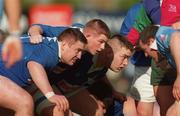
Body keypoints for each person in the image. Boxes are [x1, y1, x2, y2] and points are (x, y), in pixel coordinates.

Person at [0, 28, 87, 116]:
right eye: (78, 50)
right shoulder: (52, 53)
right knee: (24, 103)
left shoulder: (50, 46)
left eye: (82, 52)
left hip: (5, 76)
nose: (79, 56)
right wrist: (50, 95)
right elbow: (34, 65)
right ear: (64, 45)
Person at [138, 25, 180, 116]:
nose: (146, 55)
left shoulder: (160, 35)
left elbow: (176, 38)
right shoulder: (166, 53)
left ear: (151, 41)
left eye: (145, 50)